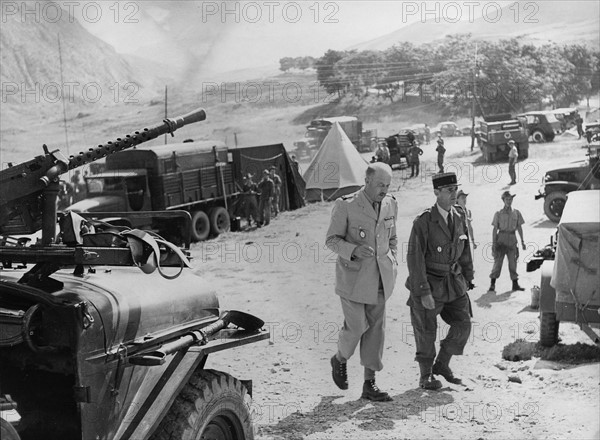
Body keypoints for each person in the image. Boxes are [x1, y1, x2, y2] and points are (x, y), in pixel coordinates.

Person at [326, 162, 398, 402]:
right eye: (380, 185)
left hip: (380, 278)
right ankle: (339, 358)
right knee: (356, 326)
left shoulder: (390, 204)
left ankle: (369, 384)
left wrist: (392, 259)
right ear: (366, 181)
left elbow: (393, 237)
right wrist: (353, 250)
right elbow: (332, 240)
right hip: (353, 279)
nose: (384, 190)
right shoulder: (346, 205)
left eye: (387, 185)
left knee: (376, 331)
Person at [406, 172, 474, 390]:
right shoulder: (424, 221)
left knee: (463, 324)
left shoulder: (460, 215)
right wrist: (423, 291)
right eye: (449, 190)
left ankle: (442, 364)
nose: (454, 194)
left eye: (455, 189)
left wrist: (468, 277)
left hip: (453, 281)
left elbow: (465, 251)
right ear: (436, 192)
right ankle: (425, 376)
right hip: (430, 283)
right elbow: (414, 259)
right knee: (426, 329)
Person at [489, 191, 526, 293]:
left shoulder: (516, 213)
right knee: (498, 262)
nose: (509, 201)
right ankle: (492, 284)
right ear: (503, 200)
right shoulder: (498, 214)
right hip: (501, 239)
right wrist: (494, 244)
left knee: (513, 263)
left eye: (510, 199)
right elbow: (494, 229)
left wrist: (522, 241)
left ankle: (515, 284)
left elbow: (519, 227)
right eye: (507, 199)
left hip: (512, 239)